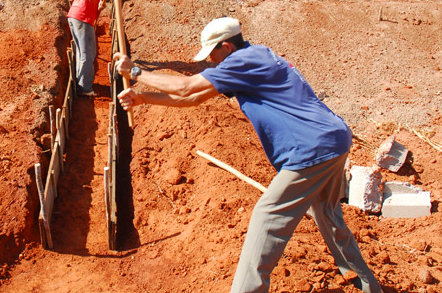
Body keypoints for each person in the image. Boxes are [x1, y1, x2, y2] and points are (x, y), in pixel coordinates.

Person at [112, 17, 383, 293]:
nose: (211, 62)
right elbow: (194, 98)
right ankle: (366, 284)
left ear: (227, 47)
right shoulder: (256, 56)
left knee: (267, 216)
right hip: (333, 138)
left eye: (212, 55)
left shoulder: (242, 62)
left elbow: (186, 87)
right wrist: (143, 97)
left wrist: (136, 72)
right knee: (326, 211)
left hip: (311, 148)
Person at [67, 0, 115, 97]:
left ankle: (80, 84)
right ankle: (85, 88)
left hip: (75, 16)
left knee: (82, 53)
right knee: (88, 54)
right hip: (82, 18)